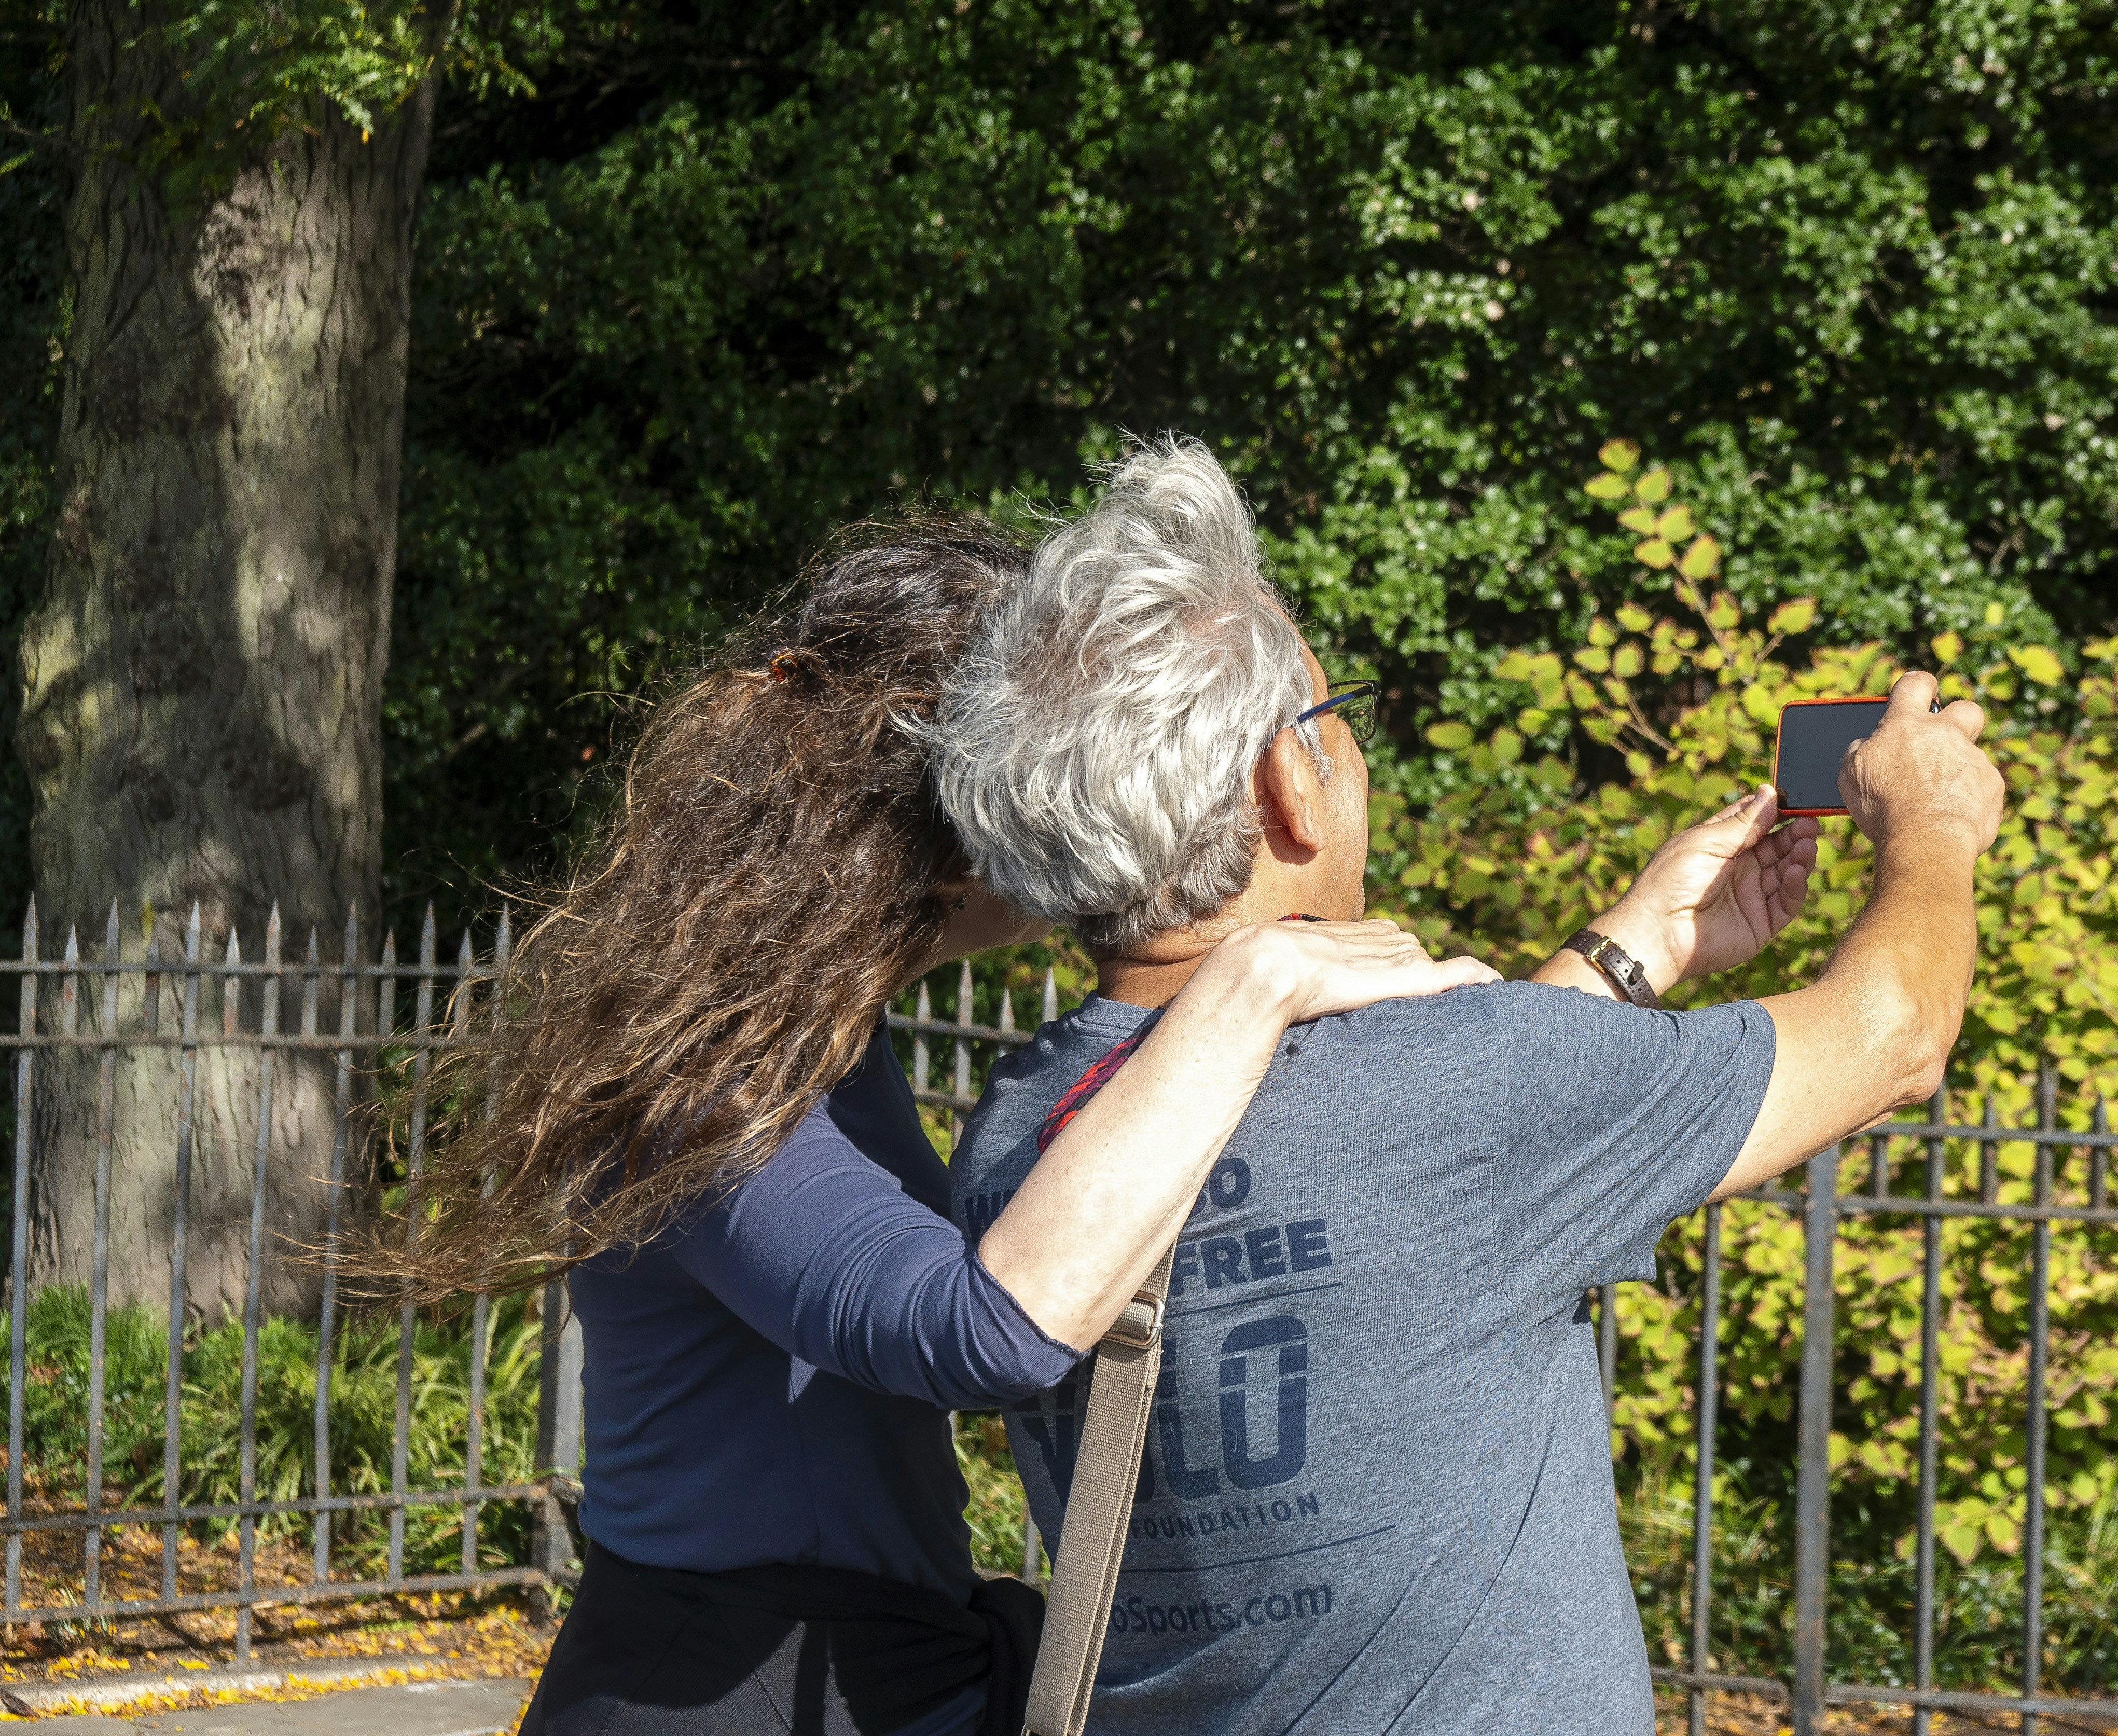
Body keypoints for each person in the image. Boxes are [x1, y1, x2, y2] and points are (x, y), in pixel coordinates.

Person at [930, 440, 2003, 1736]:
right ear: (1289, 786)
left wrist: (1635, 948)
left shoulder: (1018, 1137)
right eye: (1340, 724)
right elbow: (1893, 1037)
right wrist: (1937, 823)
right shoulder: (1471, 1088)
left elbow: (1388, 1158)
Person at [365, 517, 1502, 1736]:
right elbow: (984, 1330)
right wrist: (1257, 979)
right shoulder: (702, 1064)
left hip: (839, 1664)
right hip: (731, 1688)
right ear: (951, 797)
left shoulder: (805, 1029)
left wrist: (1631, 956)